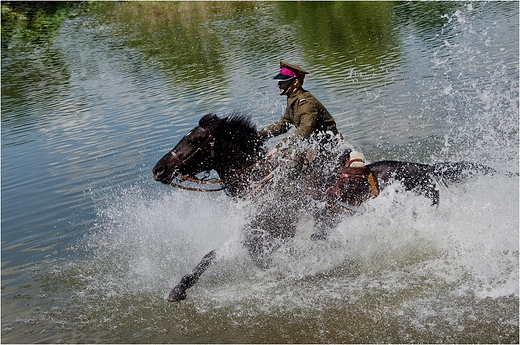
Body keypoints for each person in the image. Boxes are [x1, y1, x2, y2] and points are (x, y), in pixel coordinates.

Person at [257, 60, 341, 143]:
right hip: (316, 144)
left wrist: (279, 148)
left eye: (283, 81)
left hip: (330, 147)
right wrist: (260, 135)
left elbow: (303, 132)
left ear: (295, 82)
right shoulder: (293, 100)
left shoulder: (306, 104)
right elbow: (283, 125)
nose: (279, 84)